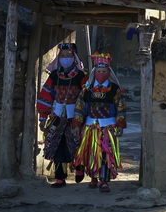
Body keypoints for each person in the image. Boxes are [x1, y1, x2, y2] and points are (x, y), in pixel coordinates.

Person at [72, 52, 127, 193]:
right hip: (91, 127)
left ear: (109, 72)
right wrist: (77, 124)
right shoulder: (87, 89)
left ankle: (104, 181)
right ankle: (93, 178)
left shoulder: (115, 90)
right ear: (94, 72)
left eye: (104, 71)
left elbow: (121, 108)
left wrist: (120, 125)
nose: (101, 73)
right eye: (98, 71)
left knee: (106, 153)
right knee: (91, 152)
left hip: (108, 127)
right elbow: (79, 107)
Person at [36, 43, 88, 188]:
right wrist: (42, 117)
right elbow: (45, 96)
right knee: (56, 144)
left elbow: (87, 98)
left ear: (74, 58)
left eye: (69, 55)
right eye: (63, 56)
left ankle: (79, 167)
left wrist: (86, 117)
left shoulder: (81, 77)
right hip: (58, 116)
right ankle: (60, 178)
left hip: (76, 118)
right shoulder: (54, 75)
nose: (65, 58)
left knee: (77, 143)